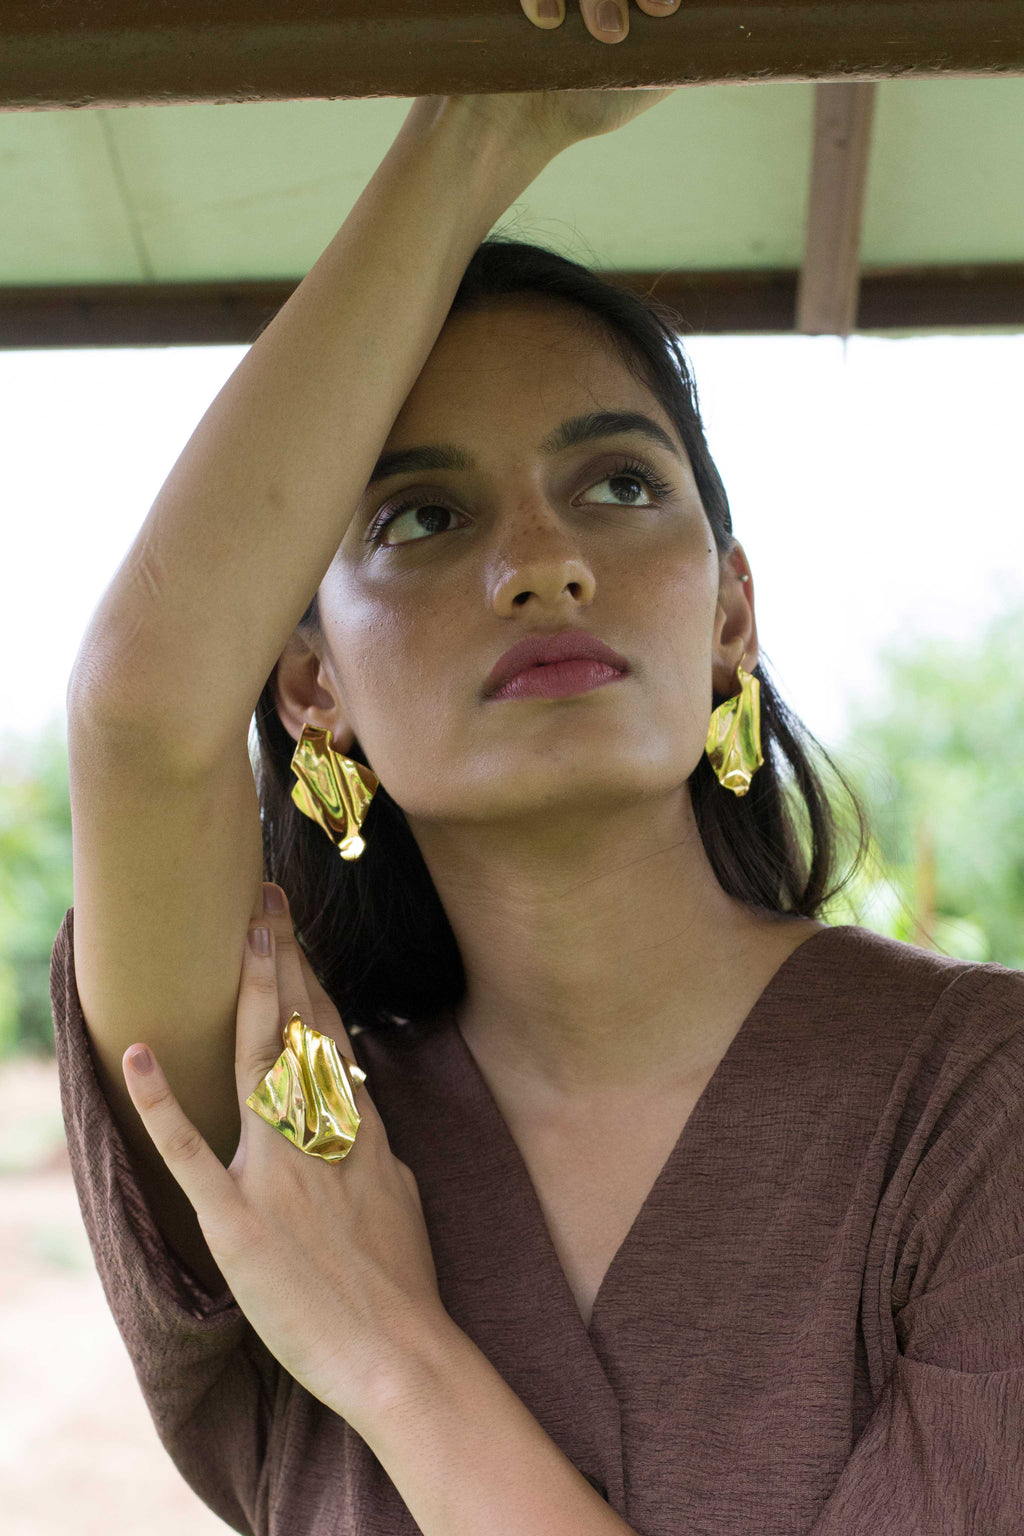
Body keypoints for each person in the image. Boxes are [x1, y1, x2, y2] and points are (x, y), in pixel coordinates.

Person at [50, 22, 1024, 1536]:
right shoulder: (288, 1126)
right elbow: (139, 713)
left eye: (620, 485)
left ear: (729, 616)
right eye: (422, 519)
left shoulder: (982, 1106)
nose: (543, 565)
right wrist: (473, 132)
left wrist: (396, 1358)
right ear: (311, 684)